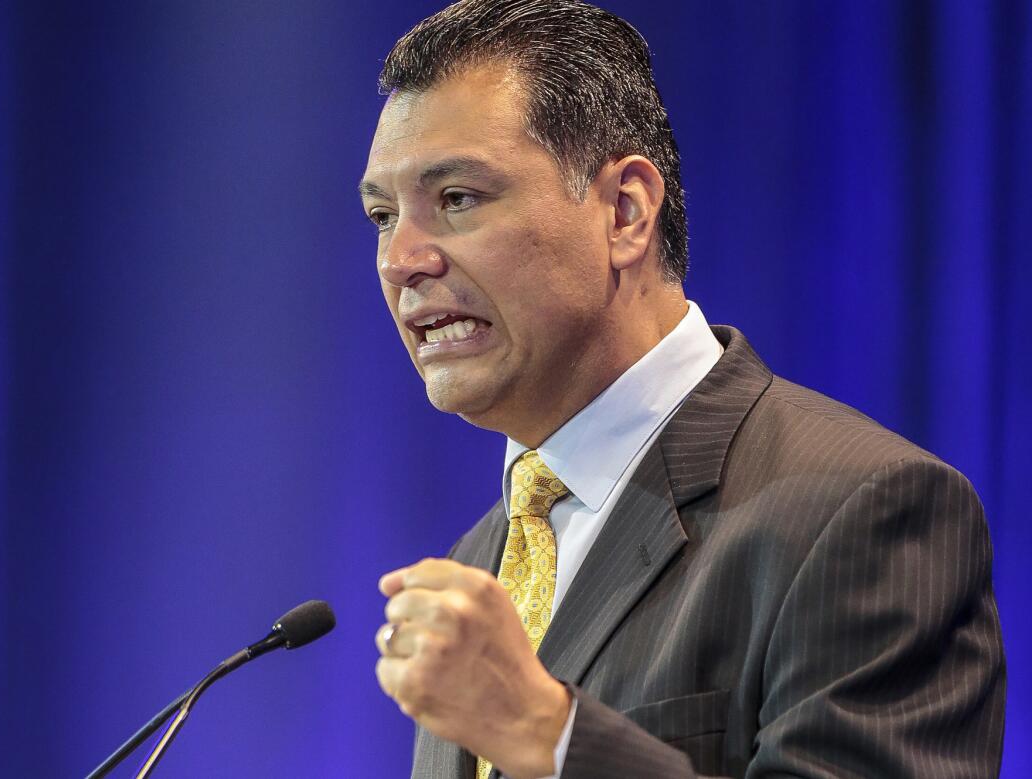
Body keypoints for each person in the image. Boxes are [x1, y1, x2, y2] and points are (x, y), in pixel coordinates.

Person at [358, 1, 1006, 777]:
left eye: (457, 199)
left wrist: (549, 735)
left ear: (626, 212)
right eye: (382, 215)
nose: (402, 259)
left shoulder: (863, 510)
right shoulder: (484, 557)